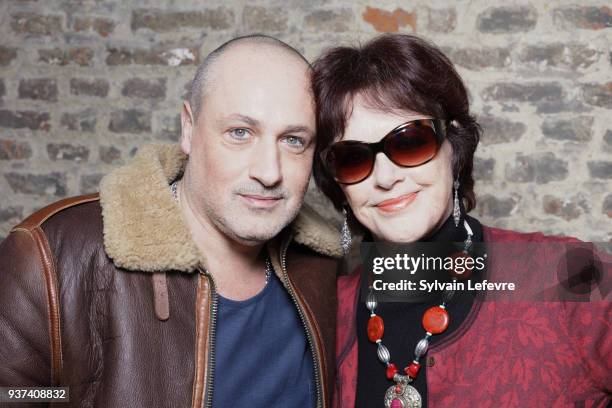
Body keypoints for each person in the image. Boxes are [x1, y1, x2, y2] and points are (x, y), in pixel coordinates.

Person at [0, 35, 342, 407]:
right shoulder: (52, 253)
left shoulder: (323, 269)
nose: (268, 171)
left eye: (293, 140)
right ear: (188, 129)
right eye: (240, 133)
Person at [312, 34, 611, 407]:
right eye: (353, 158)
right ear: (338, 184)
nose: (385, 178)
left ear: (453, 146)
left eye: (409, 141)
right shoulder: (326, 315)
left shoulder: (567, 277)